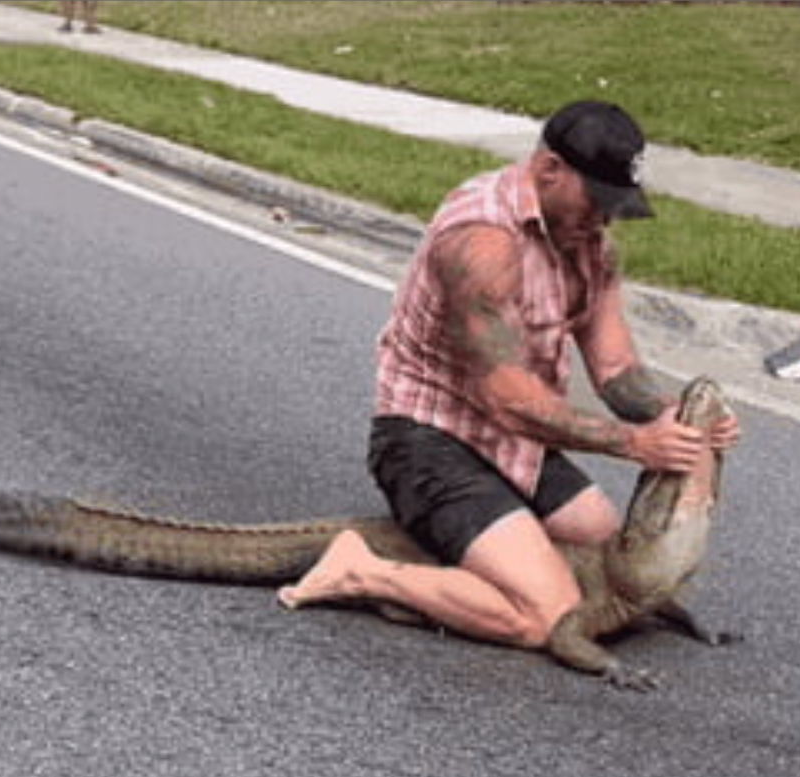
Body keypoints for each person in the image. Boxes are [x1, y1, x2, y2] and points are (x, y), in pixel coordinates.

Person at [279, 100, 741, 650]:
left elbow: (616, 369)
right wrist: (635, 443)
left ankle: (467, 558)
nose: (603, 220)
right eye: (595, 201)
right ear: (549, 169)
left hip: (516, 444)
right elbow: (507, 398)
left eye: (614, 206)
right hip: (429, 441)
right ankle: (363, 571)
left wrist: (678, 420)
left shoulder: (589, 246)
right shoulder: (481, 240)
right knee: (548, 617)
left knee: (607, 554)